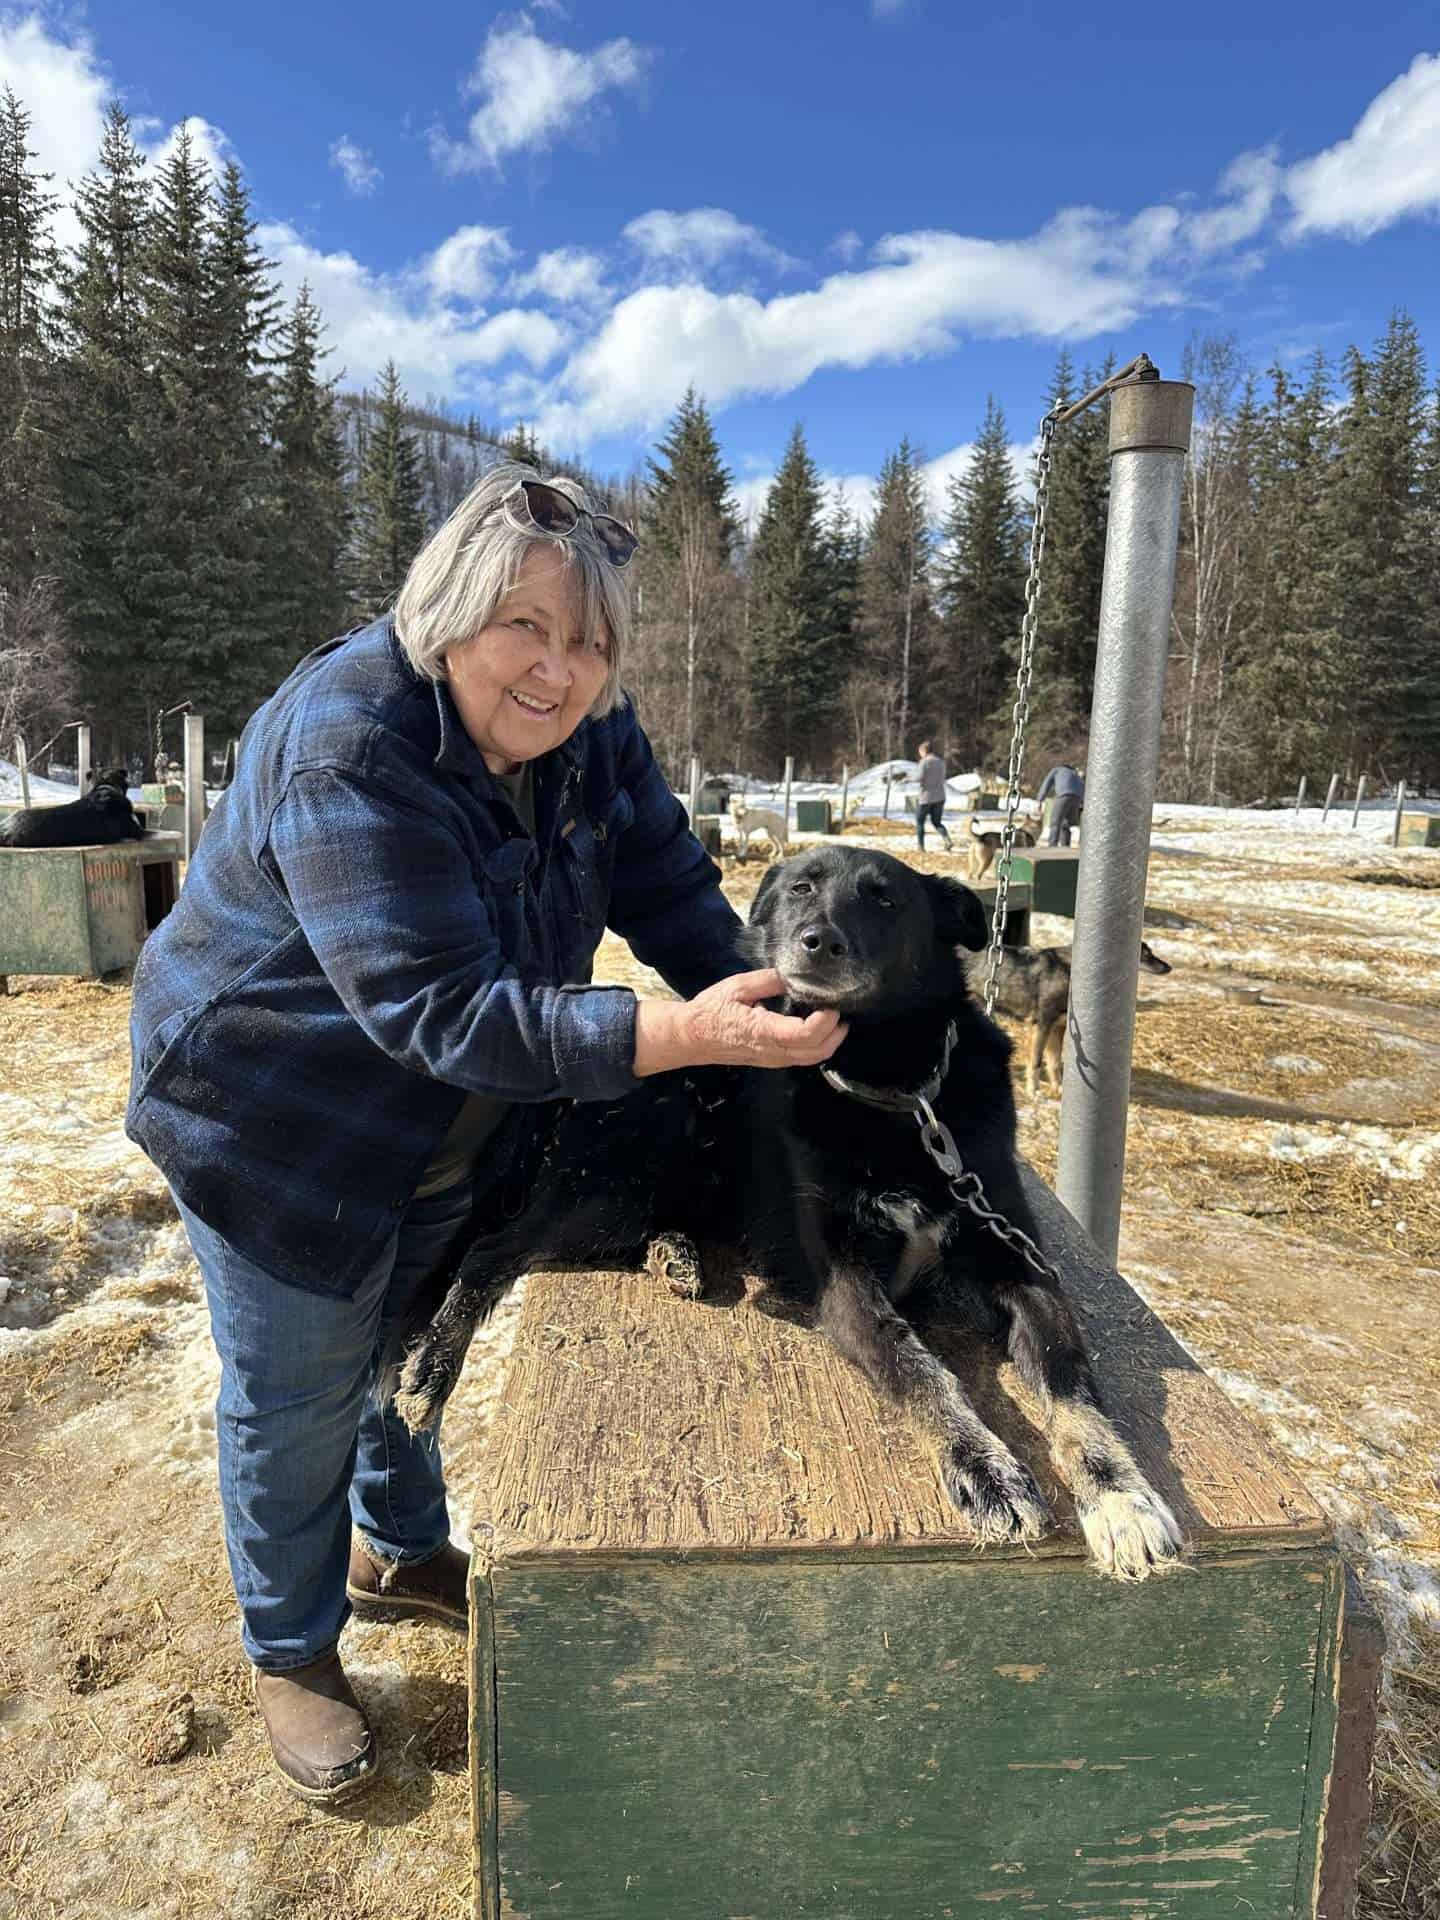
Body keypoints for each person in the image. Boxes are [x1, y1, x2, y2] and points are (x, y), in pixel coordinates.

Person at [125, 463, 847, 1805]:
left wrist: (769, 998)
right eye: (527, 627)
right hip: (279, 1118)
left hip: (458, 1114)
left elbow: (673, 889)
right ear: (449, 610)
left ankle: (397, 1550)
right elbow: (435, 1006)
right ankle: (292, 1651)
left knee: (410, 1341)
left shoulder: (589, 734)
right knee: (298, 1396)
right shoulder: (354, 739)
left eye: (588, 643)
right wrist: (682, 1038)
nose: (558, 670)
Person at [914, 739, 952, 852]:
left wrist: (907, 779)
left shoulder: (924, 762)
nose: (919, 754)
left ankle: (921, 846)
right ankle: (947, 839)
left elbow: (919, 777)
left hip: (926, 797)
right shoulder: (940, 762)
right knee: (937, 822)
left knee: (920, 821)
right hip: (940, 796)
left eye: (920, 752)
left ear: (924, 751)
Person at [1036, 762, 1085, 845]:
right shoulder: (1075, 773)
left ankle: (1052, 845)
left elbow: (1046, 784)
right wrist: (1082, 802)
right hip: (1076, 798)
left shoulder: (1056, 770)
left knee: (1055, 821)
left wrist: (1040, 799)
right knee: (1065, 823)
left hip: (1063, 795)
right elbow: (1082, 786)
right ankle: (1065, 846)